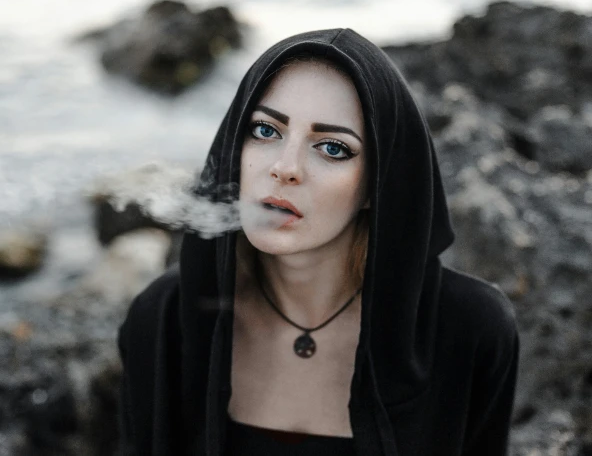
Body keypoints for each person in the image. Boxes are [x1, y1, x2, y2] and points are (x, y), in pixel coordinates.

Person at [116, 29, 519, 456]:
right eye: (265, 130)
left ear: (375, 186)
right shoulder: (161, 320)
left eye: (331, 147)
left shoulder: (469, 329)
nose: (285, 168)